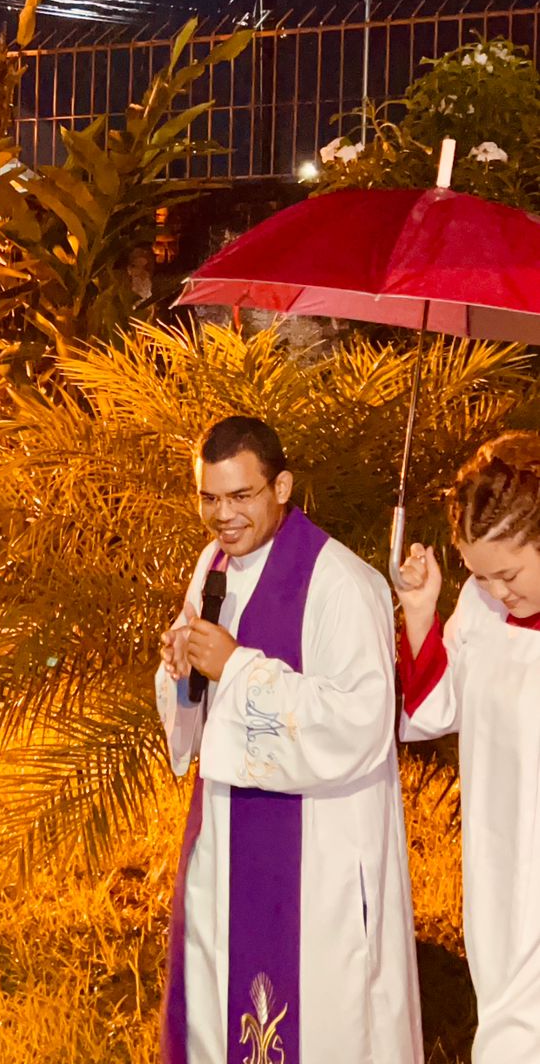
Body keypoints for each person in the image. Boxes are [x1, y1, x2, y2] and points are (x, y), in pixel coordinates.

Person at [157, 414, 422, 1064]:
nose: (223, 516)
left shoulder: (342, 584)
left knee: (326, 1019)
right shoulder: (213, 565)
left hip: (320, 854)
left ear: (281, 487)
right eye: (209, 497)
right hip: (227, 831)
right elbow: (201, 699)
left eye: (240, 495)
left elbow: (361, 722)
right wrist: (181, 667)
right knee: (221, 1002)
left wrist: (237, 668)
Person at [396, 430, 540, 1064]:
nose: (497, 592)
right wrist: (421, 611)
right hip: (499, 868)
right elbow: (432, 709)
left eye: (507, 574)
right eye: (479, 576)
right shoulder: (481, 610)